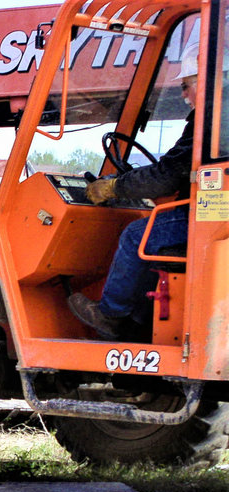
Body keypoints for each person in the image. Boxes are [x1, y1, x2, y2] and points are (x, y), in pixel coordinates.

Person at [67, 44, 199, 340]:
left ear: (203, 81)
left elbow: (167, 175)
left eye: (186, 85)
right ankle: (140, 323)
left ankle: (111, 314)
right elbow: (173, 169)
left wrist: (114, 186)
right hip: (207, 212)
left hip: (207, 216)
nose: (183, 94)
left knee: (137, 235)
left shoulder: (211, 122)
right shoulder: (215, 122)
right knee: (153, 240)